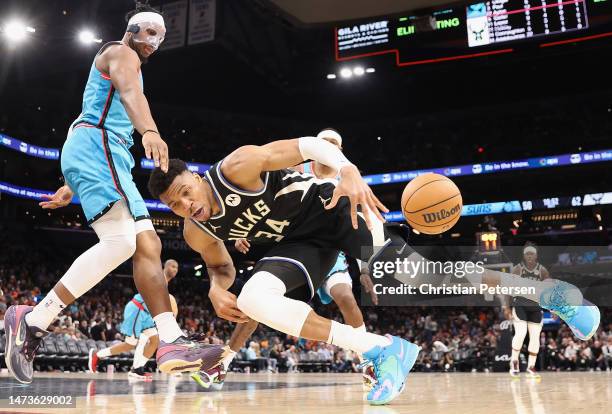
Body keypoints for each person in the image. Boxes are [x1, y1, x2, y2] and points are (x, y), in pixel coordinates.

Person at [148, 135, 598, 403]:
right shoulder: (194, 229)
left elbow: (307, 145)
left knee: (424, 276)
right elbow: (220, 268)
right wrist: (213, 289)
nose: (186, 205)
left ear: (198, 177)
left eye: (186, 191)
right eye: (174, 204)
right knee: (252, 298)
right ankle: (383, 349)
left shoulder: (237, 166)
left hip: (336, 210)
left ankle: (553, 294)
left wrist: (347, 171)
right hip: (300, 244)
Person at [3, 4, 223, 384]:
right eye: (150, 31)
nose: (155, 40)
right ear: (133, 28)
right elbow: (128, 95)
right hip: (99, 146)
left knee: (148, 243)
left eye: (161, 35)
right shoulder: (120, 53)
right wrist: (150, 131)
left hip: (103, 152)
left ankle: (170, 340)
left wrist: (72, 183)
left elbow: (102, 107)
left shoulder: (124, 62)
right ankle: (33, 319)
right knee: (122, 241)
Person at [88, 259, 180, 379]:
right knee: (130, 344)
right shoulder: (159, 277)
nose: (174, 269)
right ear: (165, 267)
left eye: (176, 267)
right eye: (172, 266)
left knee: (154, 340)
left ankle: (137, 368)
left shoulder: (165, 283)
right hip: (138, 309)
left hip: (146, 313)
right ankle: (97, 355)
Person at [505, 243, 549, 378]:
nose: (530, 256)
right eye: (527, 254)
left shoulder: (542, 271)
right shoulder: (518, 269)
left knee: (535, 337)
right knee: (521, 333)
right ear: (524, 256)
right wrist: (507, 307)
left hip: (535, 306)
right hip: (520, 305)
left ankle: (531, 366)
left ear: (536, 256)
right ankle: (514, 361)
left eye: (532, 254)